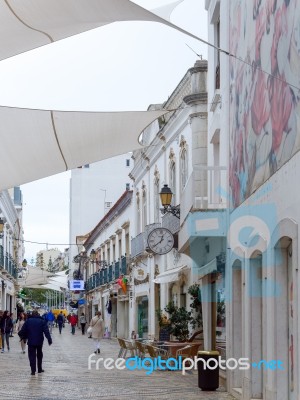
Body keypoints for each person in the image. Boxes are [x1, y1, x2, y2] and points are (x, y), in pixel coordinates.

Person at [18, 310, 52, 375]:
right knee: (39, 354)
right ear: (38, 314)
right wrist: (49, 339)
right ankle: (39, 369)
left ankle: (33, 370)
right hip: (39, 341)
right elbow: (46, 331)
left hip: (31, 341)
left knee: (32, 356)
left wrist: (22, 336)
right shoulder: (42, 321)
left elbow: (23, 330)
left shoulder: (28, 321)